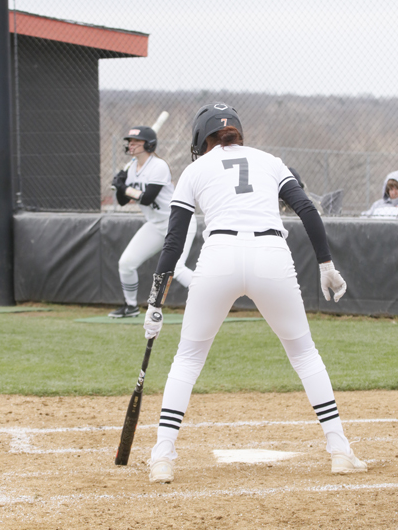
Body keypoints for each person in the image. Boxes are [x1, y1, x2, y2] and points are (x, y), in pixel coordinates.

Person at [143, 103, 367, 483]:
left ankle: (163, 456)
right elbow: (306, 209)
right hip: (271, 255)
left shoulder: (195, 169)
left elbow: (174, 241)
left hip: (219, 256)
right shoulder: (270, 161)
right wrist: (326, 265)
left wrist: (155, 300)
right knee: (304, 354)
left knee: (188, 358)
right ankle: (340, 450)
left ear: (200, 138)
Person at [109, 125, 197, 318]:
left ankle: (213, 298)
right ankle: (131, 306)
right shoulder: (131, 168)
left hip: (178, 222)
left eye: (136, 142)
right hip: (156, 224)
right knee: (126, 263)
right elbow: (123, 201)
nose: (131, 145)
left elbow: (147, 198)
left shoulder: (158, 166)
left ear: (149, 145)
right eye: (130, 142)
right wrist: (120, 183)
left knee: (177, 268)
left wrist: (123, 188)